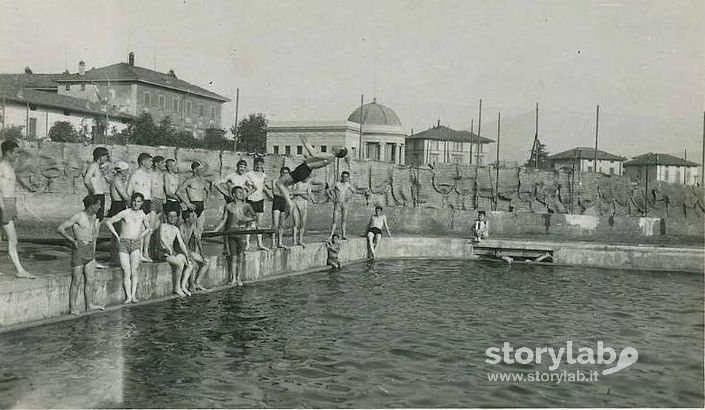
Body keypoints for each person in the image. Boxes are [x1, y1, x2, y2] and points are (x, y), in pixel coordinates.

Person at [57, 195, 105, 315]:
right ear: (91, 205)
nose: (99, 207)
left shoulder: (94, 217)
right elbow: (60, 228)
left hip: (90, 250)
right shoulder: (78, 216)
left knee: (90, 279)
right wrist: (72, 240)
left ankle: (89, 304)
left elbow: (92, 234)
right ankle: (72, 307)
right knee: (76, 280)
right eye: (98, 205)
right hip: (79, 250)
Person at [105, 192, 151, 304]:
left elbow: (148, 228)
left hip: (135, 244)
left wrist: (141, 236)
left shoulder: (142, 214)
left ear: (142, 203)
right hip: (124, 243)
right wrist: (116, 236)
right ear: (131, 201)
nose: (136, 203)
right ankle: (128, 296)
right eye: (134, 201)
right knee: (126, 270)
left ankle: (134, 296)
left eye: (139, 201)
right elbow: (109, 222)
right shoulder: (125, 212)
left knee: (134, 270)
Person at [0, 140, 35, 278]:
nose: (17, 156)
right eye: (15, 152)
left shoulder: (9, 168)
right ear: (8, 152)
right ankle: (20, 271)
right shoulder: (2, 167)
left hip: (8, 204)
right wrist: (3, 208)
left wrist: (13, 208)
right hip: (3, 205)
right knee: (13, 239)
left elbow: (9, 190)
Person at [214, 186, 256, 287]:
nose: (242, 194)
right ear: (233, 195)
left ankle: (239, 278)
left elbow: (254, 217)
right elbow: (224, 219)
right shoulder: (228, 206)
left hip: (241, 233)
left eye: (243, 192)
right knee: (233, 256)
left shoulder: (246, 205)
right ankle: (233, 279)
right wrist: (216, 230)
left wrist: (246, 222)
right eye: (239, 192)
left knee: (240, 256)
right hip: (231, 232)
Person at [156, 209, 193, 297]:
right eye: (170, 216)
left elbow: (181, 243)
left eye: (174, 216)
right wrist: (169, 249)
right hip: (163, 252)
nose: (172, 218)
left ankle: (183, 286)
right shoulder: (163, 226)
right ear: (167, 217)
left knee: (189, 264)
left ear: (177, 217)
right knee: (180, 264)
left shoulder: (176, 229)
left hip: (172, 252)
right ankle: (177, 288)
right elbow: (162, 238)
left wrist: (187, 255)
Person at [126, 153, 154, 262]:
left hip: (147, 202)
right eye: (150, 161)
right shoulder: (135, 174)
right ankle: (138, 253)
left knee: (147, 229)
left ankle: (145, 252)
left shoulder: (148, 175)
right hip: (138, 202)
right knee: (139, 230)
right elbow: (128, 192)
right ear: (143, 162)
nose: (151, 163)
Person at [180, 210, 210, 292]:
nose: (194, 218)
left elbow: (198, 240)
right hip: (180, 251)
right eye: (192, 216)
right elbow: (182, 243)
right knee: (193, 263)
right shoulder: (181, 227)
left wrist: (202, 253)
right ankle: (191, 285)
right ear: (187, 219)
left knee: (206, 261)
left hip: (188, 250)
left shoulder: (193, 226)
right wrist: (188, 255)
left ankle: (197, 282)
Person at [108, 161, 130, 264]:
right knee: (117, 232)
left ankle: (117, 257)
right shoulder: (116, 180)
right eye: (127, 170)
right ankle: (115, 258)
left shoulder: (119, 179)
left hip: (119, 205)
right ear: (122, 171)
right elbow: (124, 195)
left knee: (119, 232)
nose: (128, 172)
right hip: (117, 206)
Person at [244, 157, 269, 250]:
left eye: (261, 164)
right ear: (254, 164)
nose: (259, 166)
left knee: (259, 223)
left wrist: (270, 195)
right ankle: (247, 244)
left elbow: (263, 187)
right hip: (250, 200)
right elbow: (246, 186)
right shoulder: (249, 174)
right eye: (257, 164)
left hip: (260, 200)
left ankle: (260, 243)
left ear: (263, 165)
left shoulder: (264, 175)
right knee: (249, 223)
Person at [177, 161, 209, 229]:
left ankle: (198, 240)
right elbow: (178, 192)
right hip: (193, 205)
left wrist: (206, 202)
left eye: (201, 169)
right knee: (191, 227)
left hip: (201, 204)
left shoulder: (202, 180)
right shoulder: (189, 180)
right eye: (200, 169)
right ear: (194, 170)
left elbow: (208, 191)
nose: (201, 171)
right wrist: (187, 203)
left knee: (200, 228)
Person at [82, 147, 110, 222]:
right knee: (95, 219)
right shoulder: (93, 166)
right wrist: (93, 192)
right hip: (96, 195)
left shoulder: (97, 166)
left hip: (99, 195)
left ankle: (94, 234)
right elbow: (86, 180)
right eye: (105, 156)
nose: (106, 158)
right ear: (100, 157)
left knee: (98, 219)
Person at [328, 171, 356, 240]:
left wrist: (349, 198)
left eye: (346, 177)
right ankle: (331, 235)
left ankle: (344, 235)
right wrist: (332, 198)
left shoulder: (348, 184)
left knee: (344, 220)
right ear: (341, 176)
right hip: (338, 204)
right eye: (343, 176)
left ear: (348, 178)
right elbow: (328, 190)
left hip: (345, 204)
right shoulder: (337, 184)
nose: (345, 178)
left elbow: (354, 191)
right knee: (334, 221)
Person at [271, 167, 290, 248]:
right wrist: (285, 193)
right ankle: (273, 243)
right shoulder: (275, 181)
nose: (284, 174)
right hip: (277, 202)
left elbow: (291, 193)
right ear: (280, 172)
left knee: (282, 224)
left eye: (286, 173)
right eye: (283, 172)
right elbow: (275, 192)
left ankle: (280, 242)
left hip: (284, 203)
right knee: (275, 224)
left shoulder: (288, 183)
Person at [291, 175, 312, 247]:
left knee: (303, 223)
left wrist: (299, 192)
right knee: (295, 222)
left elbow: (309, 197)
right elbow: (292, 192)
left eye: (307, 177)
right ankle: (294, 240)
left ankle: (300, 240)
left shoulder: (309, 184)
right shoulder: (297, 183)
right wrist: (304, 193)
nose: (305, 178)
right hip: (296, 203)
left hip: (304, 204)